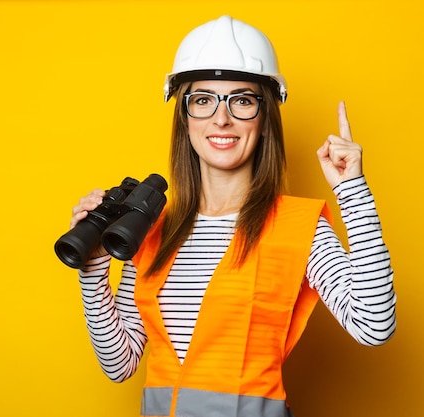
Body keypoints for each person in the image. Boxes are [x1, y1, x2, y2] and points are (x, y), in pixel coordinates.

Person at [68, 15, 396, 417]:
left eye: (241, 100)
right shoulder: (153, 226)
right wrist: (93, 270)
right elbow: (120, 365)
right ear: (185, 118)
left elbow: (374, 325)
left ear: (264, 118)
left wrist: (352, 191)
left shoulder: (298, 226)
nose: (221, 119)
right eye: (203, 99)